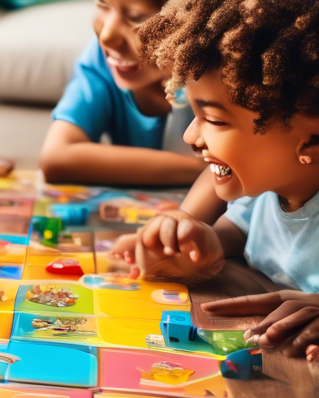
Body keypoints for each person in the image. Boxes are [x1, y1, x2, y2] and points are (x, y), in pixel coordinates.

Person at [123, 0, 319, 358]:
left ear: (311, 140)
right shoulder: (265, 190)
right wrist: (197, 244)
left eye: (213, 120)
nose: (191, 138)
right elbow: (240, 231)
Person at [39, 0, 211, 188]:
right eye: (103, 5)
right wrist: (203, 169)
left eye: (137, 16)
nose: (107, 36)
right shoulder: (102, 61)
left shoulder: (223, 75)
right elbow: (56, 157)